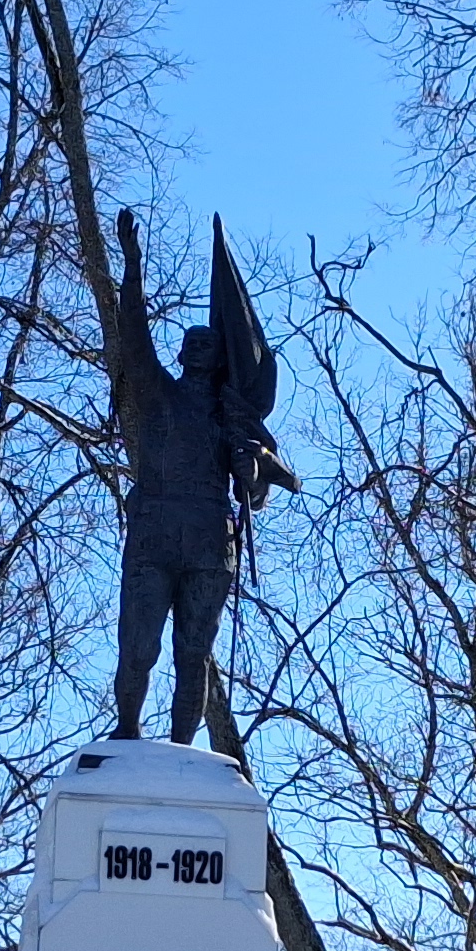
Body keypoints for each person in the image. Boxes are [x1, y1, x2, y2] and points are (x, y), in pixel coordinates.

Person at [108, 208, 291, 740]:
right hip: (155, 531)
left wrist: (250, 467)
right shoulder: (157, 394)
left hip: (211, 540)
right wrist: (132, 267)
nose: (195, 348)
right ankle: (127, 731)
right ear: (180, 352)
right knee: (138, 645)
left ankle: (182, 750)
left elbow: (259, 487)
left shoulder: (232, 416)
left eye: (206, 344)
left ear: (218, 358)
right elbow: (132, 335)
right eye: (189, 342)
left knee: (194, 652)